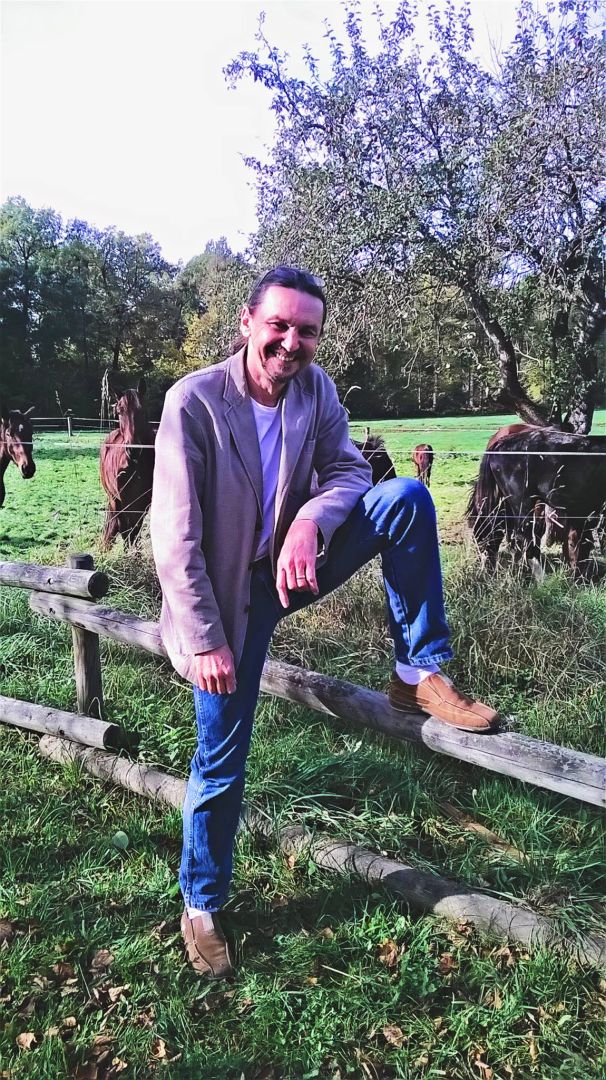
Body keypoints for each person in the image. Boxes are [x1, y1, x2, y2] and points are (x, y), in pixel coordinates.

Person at [150, 266, 500, 980]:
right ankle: (202, 904)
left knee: (405, 499)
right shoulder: (194, 401)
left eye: (306, 331)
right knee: (222, 756)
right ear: (247, 323)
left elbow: (349, 472)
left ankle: (417, 672)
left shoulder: (316, 390)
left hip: (291, 569)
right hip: (225, 599)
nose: (291, 342)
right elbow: (175, 539)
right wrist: (207, 639)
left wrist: (310, 521)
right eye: (278, 325)